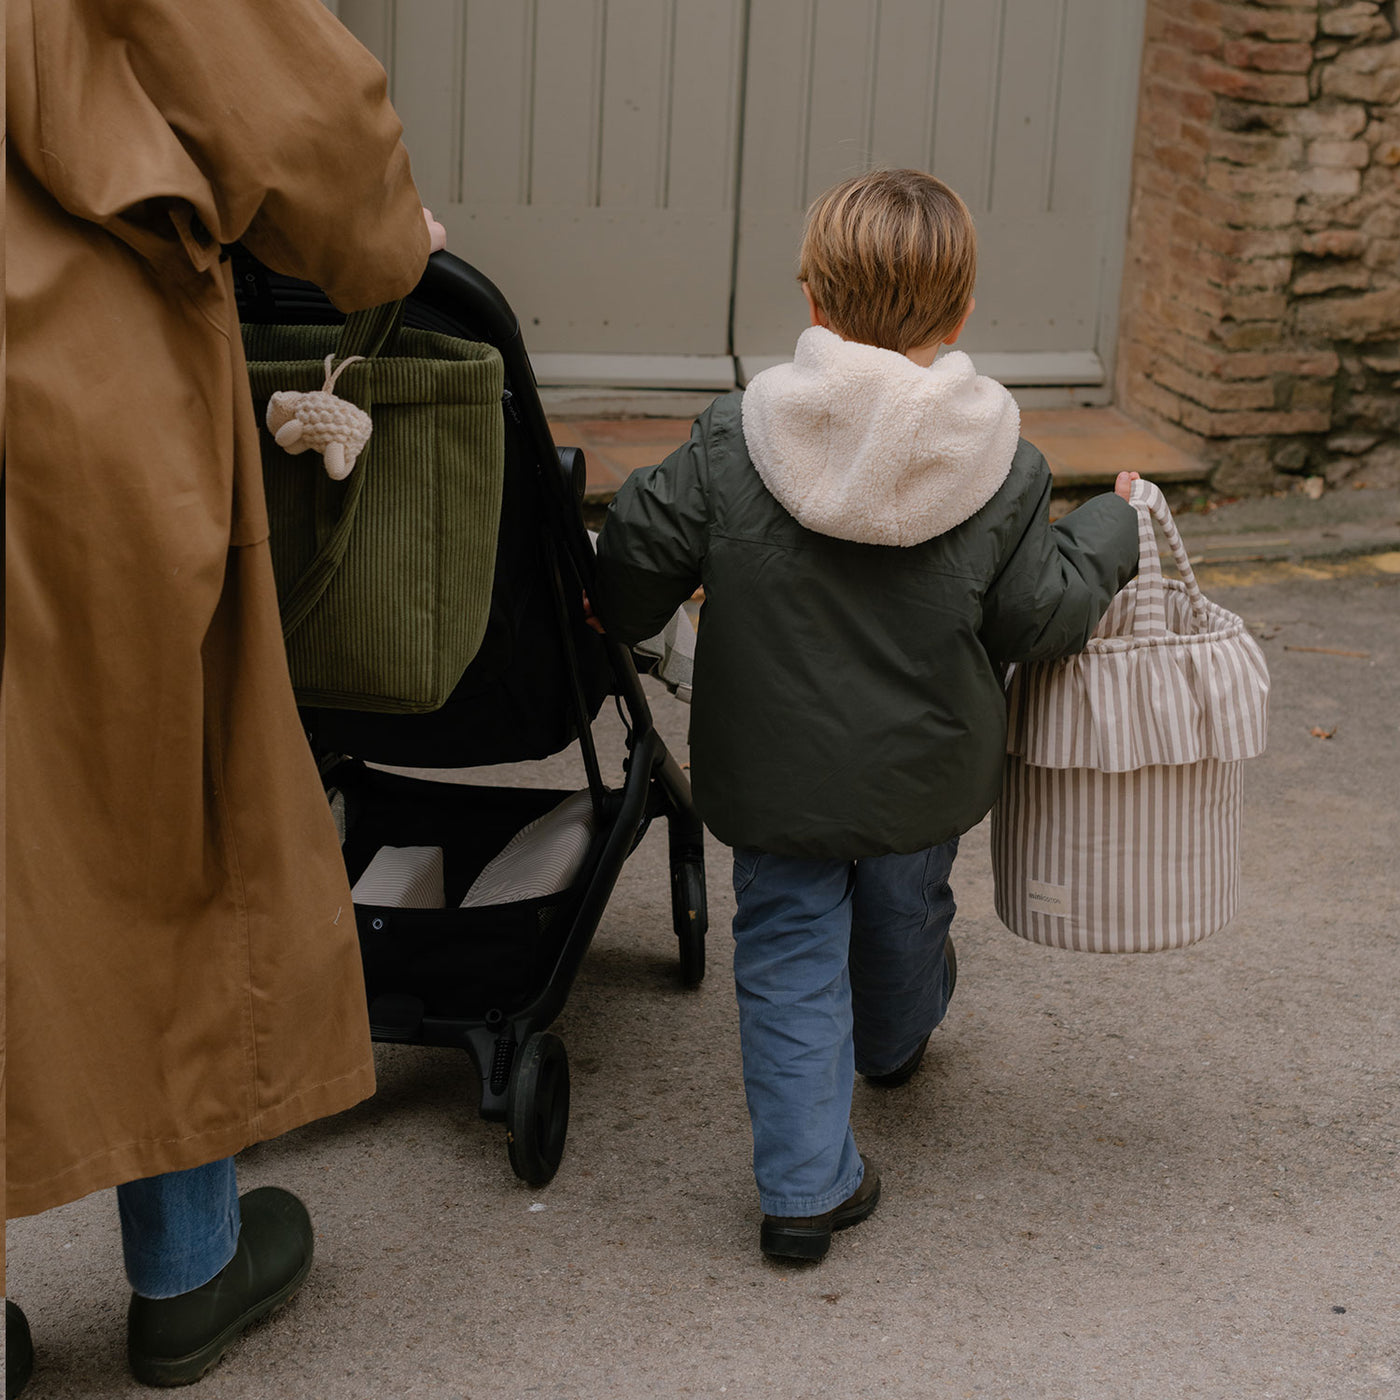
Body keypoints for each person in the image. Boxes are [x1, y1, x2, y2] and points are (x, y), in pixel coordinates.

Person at [4, 0, 444, 1389]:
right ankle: (187, 1266)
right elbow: (295, 113)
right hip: (76, 392)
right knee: (161, 810)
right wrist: (384, 236)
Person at [593, 168, 1142, 1263]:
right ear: (960, 311)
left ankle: (803, 1189)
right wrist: (1109, 536)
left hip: (771, 770)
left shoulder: (731, 438)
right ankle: (892, 1045)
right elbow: (1044, 612)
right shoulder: (1002, 466)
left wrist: (648, 604)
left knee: (789, 941)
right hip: (923, 771)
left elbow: (630, 568)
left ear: (811, 298)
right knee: (901, 906)